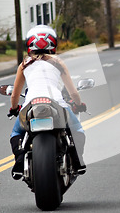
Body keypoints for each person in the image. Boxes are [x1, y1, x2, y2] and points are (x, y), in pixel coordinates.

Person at [8, 25, 87, 180]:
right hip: (56, 102)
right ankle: (77, 160)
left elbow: (15, 94)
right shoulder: (58, 62)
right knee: (76, 129)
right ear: (53, 44)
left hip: (31, 103)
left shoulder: (24, 64)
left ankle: (19, 161)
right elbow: (72, 92)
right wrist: (78, 104)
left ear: (30, 44)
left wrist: (13, 108)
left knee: (17, 133)